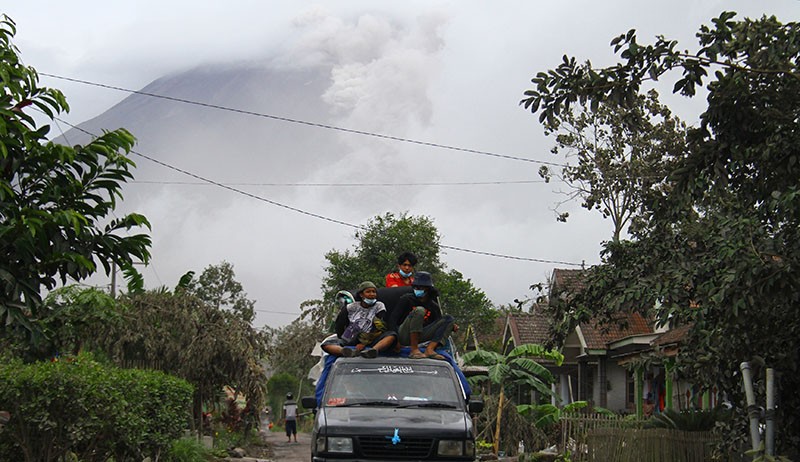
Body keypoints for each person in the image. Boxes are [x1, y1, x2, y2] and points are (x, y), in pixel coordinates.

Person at [387, 271, 456, 360]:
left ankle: (430, 349)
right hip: (404, 334)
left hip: (421, 335)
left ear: (427, 289)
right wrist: (395, 340)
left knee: (448, 319)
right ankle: (414, 349)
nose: (417, 289)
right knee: (419, 310)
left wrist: (450, 326)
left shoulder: (433, 306)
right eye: (415, 287)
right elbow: (392, 320)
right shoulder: (407, 299)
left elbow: (437, 323)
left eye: (420, 287)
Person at [321, 281, 397, 358]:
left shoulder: (379, 306)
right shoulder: (351, 307)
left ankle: (373, 351)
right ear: (361, 294)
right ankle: (345, 352)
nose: (372, 294)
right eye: (368, 292)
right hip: (351, 337)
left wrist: (364, 344)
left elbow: (379, 327)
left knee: (391, 336)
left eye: (374, 292)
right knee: (326, 344)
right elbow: (339, 324)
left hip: (372, 338)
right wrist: (343, 338)